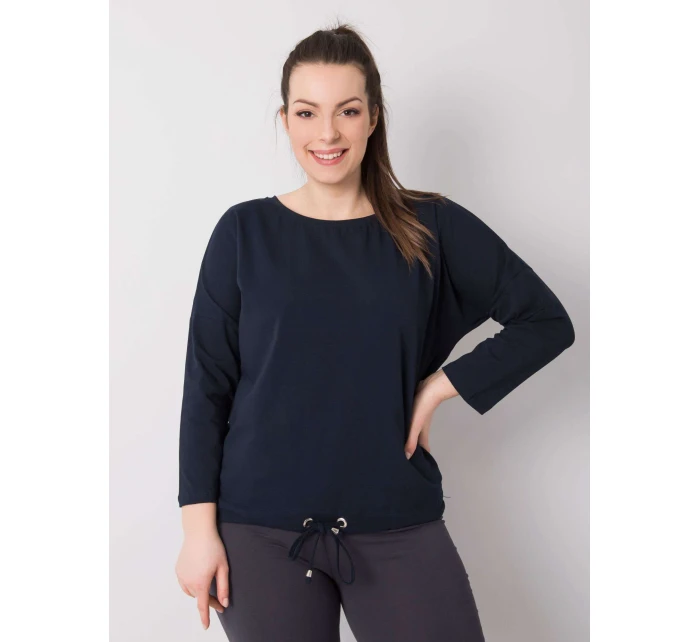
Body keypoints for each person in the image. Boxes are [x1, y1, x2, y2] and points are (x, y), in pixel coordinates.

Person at [174, 23, 575, 642]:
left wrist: (439, 386)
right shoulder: (243, 233)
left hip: (395, 518)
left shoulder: (430, 228)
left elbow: (546, 321)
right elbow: (207, 386)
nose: (327, 133)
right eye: (307, 112)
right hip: (259, 530)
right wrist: (198, 534)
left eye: (347, 110)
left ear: (373, 118)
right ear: (285, 120)